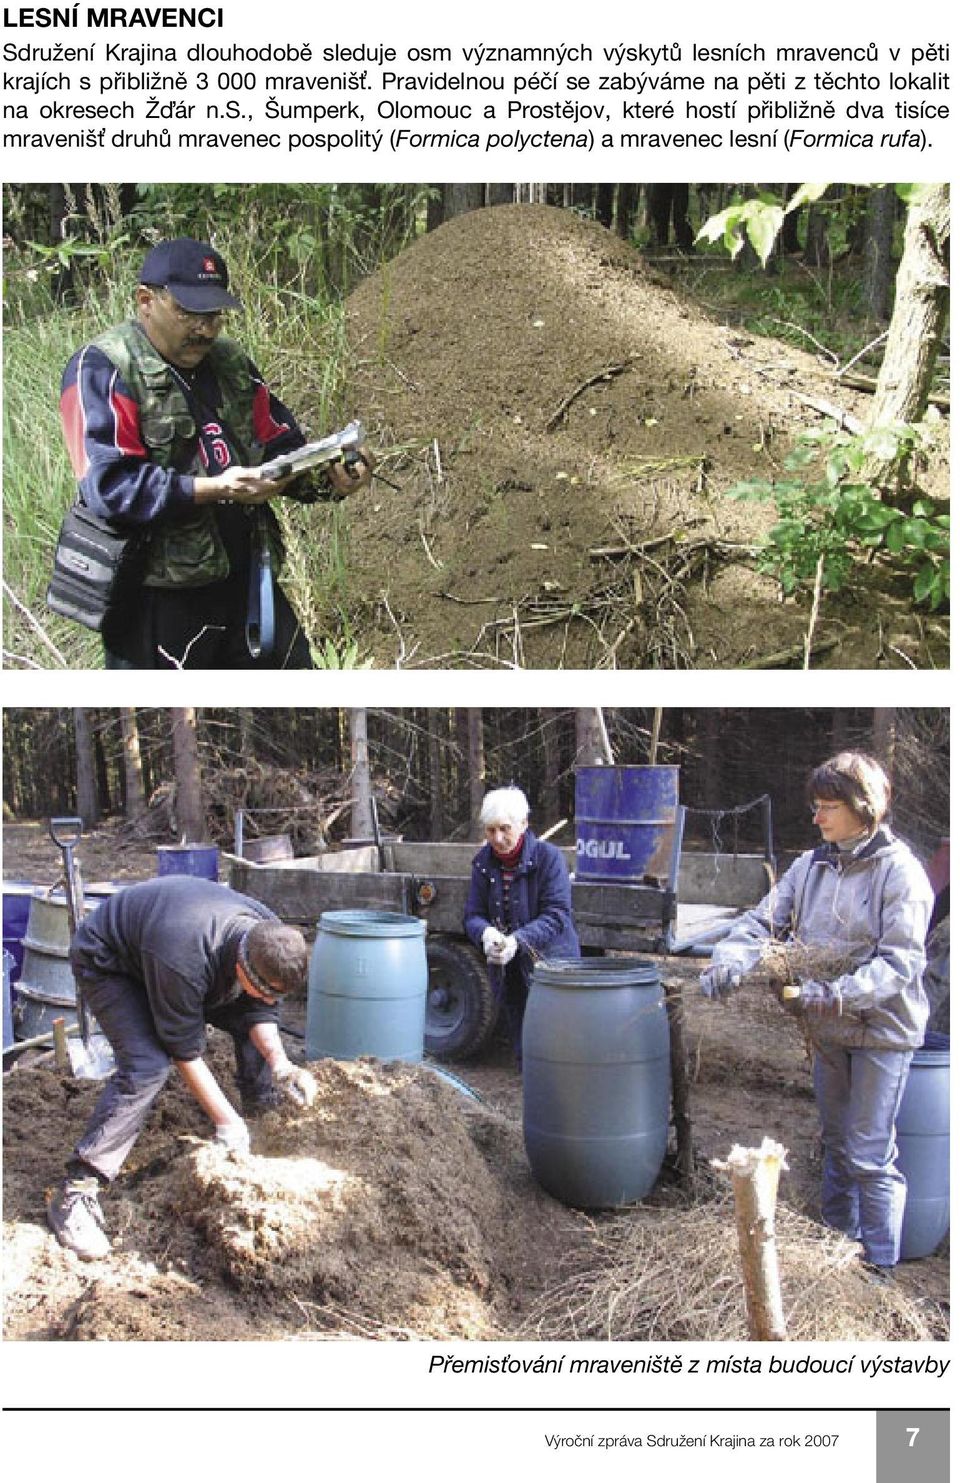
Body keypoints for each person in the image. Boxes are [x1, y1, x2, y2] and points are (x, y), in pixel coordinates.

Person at [58, 237, 372, 669]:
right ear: (146, 301)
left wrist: (332, 478)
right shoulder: (102, 367)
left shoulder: (231, 363)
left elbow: (282, 448)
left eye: (214, 314)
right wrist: (213, 488)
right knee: (170, 729)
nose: (204, 329)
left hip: (246, 580)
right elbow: (109, 489)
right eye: (188, 313)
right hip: (156, 599)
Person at [700, 751, 934, 1270]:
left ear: (864, 808)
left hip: (881, 1031)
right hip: (827, 1030)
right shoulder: (811, 867)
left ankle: (878, 1272)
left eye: (828, 806)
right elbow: (760, 924)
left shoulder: (901, 876)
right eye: (817, 806)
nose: (817, 817)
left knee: (870, 1153)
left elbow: (898, 966)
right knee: (834, 1143)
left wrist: (831, 994)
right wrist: (730, 961)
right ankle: (837, 1254)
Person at [47, 876, 318, 1261]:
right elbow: (184, 1052)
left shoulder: (267, 932)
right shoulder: (183, 960)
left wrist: (282, 1066)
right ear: (243, 969)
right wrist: (227, 1123)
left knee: (249, 1019)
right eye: (266, 990)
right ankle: (76, 1191)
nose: (271, 1001)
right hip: (111, 962)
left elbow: (259, 1008)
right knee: (147, 1065)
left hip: (173, 954)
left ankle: (263, 1113)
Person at [464, 786, 580, 1064]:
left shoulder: (548, 859)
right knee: (522, 1043)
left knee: (557, 1043)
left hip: (551, 964)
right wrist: (487, 934)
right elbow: (472, 915)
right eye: (490, 830)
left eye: (505, 829)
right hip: (510, 969)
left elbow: (557, 915)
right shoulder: (483, 864)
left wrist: (517, 940)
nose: (497, 838)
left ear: (524, 824)